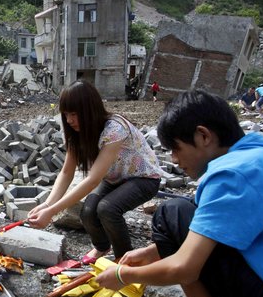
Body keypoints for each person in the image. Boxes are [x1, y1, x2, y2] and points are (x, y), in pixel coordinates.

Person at [95, 90, 263, 297]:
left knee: (172, 212)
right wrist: (149, 254)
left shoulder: (231, 175)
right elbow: (219, 228)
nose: (173, 159)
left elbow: (185, 267)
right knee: (183, 214)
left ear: (203, 136)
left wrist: (122, 277)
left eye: (176, 148)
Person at [27, 80, 162, 264]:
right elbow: (67, 173)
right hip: (115, 178)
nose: (69, 120)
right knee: (88, 211)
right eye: (66, 114)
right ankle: (102, 246)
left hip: (143, 178)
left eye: (74, 114)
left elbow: (93, 179)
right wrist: (47, 205)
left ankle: (124, 260)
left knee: (107, 209)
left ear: (90, 110)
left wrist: (51, 212)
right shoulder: (76, 133)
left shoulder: (114, 129)